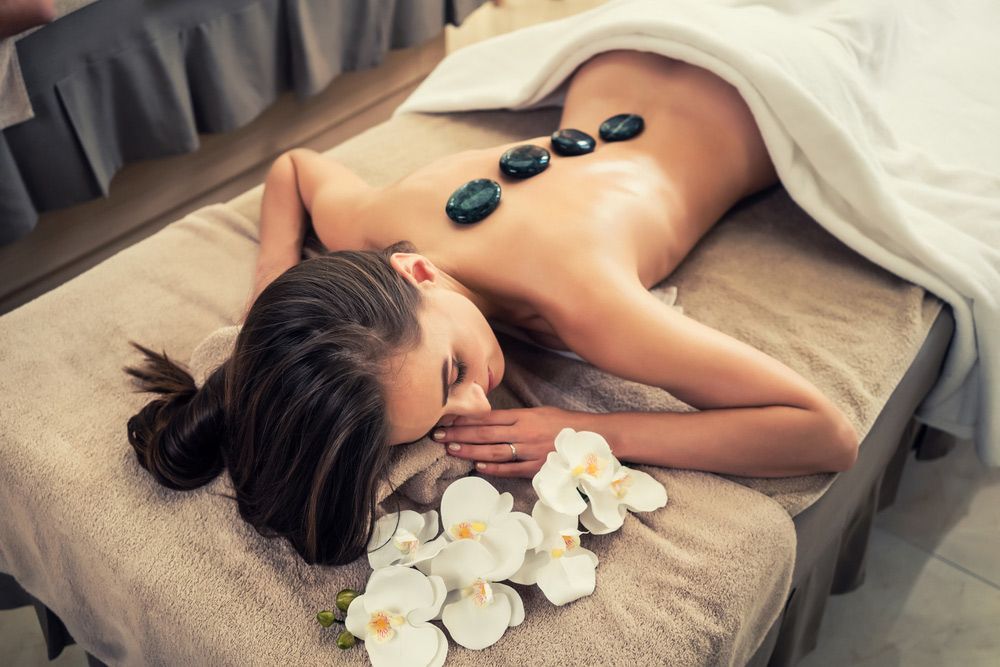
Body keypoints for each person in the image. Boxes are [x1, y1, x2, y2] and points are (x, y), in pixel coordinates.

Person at [124, 50, 859, 566]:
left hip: (767, 81)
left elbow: (824, 433)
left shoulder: (584, 300)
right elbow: (296, 169)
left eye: (452, 372)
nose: (475, 403)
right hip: (624, 54)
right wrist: (272, 286)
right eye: (445, 415)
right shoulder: (380, 235)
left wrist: (589, 428)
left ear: (414, 271)